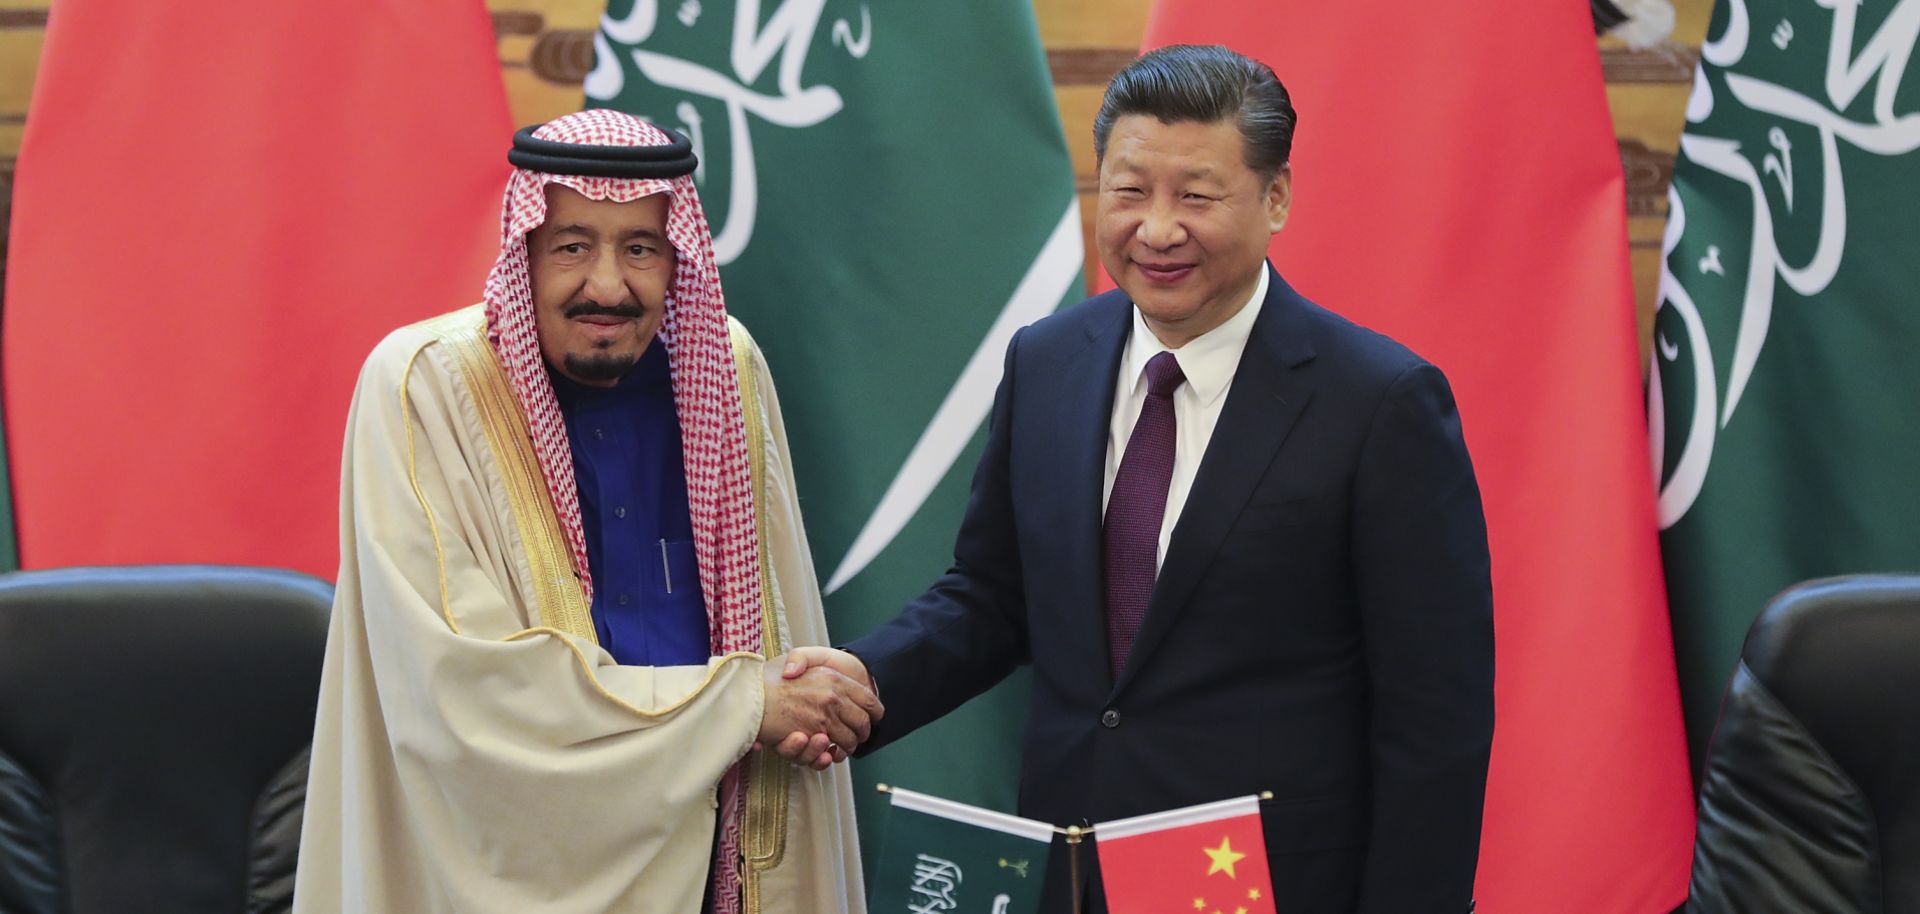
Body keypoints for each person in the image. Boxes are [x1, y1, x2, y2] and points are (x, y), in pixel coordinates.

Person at [797, 44, 1495, 913]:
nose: (1157, 229)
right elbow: (994, 595)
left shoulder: (1379, 401)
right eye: (1129, 191)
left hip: (1272, 883)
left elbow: (1436, 718)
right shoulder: (1047, 361)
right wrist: (861, 685)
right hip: (1070, 870)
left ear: (1275, 198)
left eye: (1196, 196)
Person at [295, 109, 877, 914]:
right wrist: (751, 704)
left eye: (640, 248)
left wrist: (807, 695)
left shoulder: (723, 371)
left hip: (717, 851)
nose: (607, 285)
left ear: (679, 262)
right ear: (523, 250)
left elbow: (780, 625)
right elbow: (472, 701)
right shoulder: (425, 386)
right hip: (515, 867)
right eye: (572, 245)